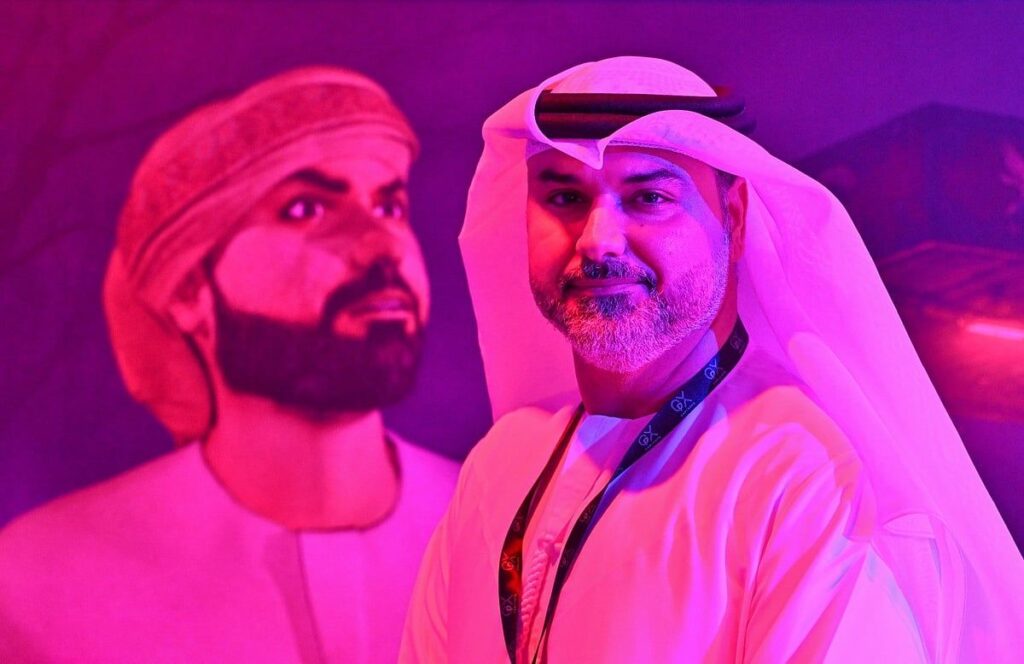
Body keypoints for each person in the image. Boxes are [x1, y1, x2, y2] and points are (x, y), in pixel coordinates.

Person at [401, 57, 1024, 662]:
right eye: (564, 197)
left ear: (734, 216)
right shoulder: (499, 464)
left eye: (648, 198)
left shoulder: (802, 468)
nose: (598, 240)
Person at [0, 66, 458, 663]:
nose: (381, 245)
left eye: (389, 206)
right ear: (189, 291)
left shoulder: (507, 526)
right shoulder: (42, 579)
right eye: (305, 210)